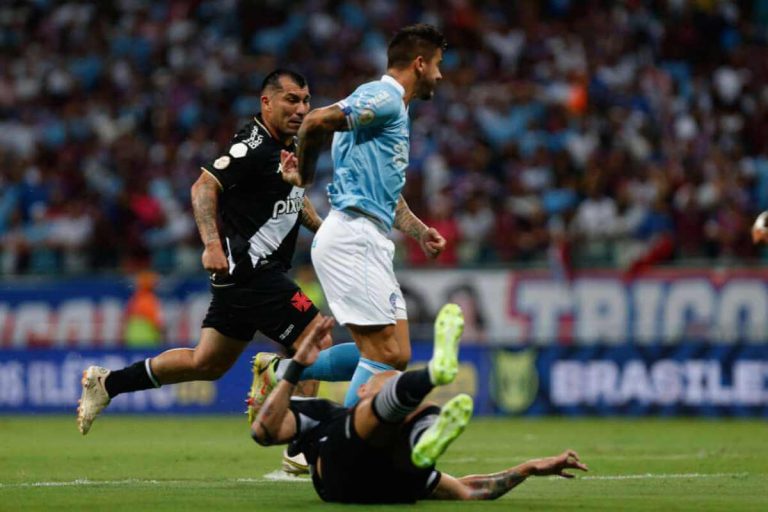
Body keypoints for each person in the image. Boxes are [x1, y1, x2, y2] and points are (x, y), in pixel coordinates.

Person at [77, 70, 361, 445]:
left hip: (242, 276)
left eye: (306, 100)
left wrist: (325, 233)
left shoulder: (287, 144)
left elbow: (294, 199)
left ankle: (108, 382)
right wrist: (211, 243)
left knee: (207, 362)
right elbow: (203, 185)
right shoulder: (253, 147)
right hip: (250, 269)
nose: (301, 108)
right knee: (315, 341)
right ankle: (299, 443)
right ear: (267, 102)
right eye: (291, 99)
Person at [250, 304, 588, 504]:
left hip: (360, 480)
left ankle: (428, 395)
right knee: (418, 420)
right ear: (362, 390)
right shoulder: (328, 414)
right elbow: (472, 491)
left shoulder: (329, 415)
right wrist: (527, 468)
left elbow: (263, 431)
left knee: (410, 421)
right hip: (374, 473)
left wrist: (529, 468)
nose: (382, 382)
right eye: (380, 384)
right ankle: (429, 390)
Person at [286, 24, 450, 406]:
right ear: (420, 63)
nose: (440, 75)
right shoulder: (384, 97)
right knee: (383, 357)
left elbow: (386, 195)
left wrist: (419, 230)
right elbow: (314, 122)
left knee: (397, 354)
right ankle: (335, 450)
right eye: (438, 65)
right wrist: (304, 179)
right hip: (353, 236)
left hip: (368, 234)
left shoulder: (389, 108)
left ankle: (280, 372)